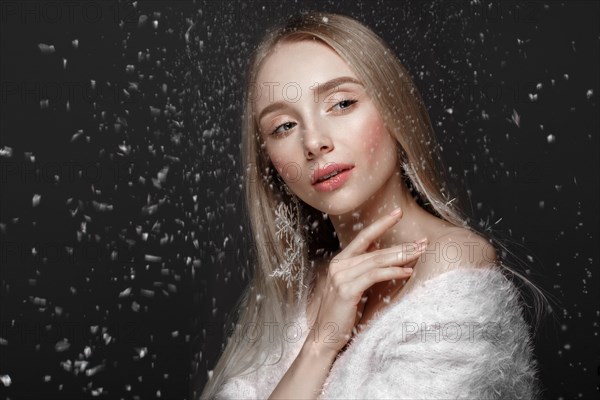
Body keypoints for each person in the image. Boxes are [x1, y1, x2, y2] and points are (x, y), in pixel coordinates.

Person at [198, 11, 546, 400]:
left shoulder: (451, 263)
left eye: (342, 103)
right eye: (284, 127)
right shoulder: (299, 287)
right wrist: (318, 345)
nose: (314, 142)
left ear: (394, 108)